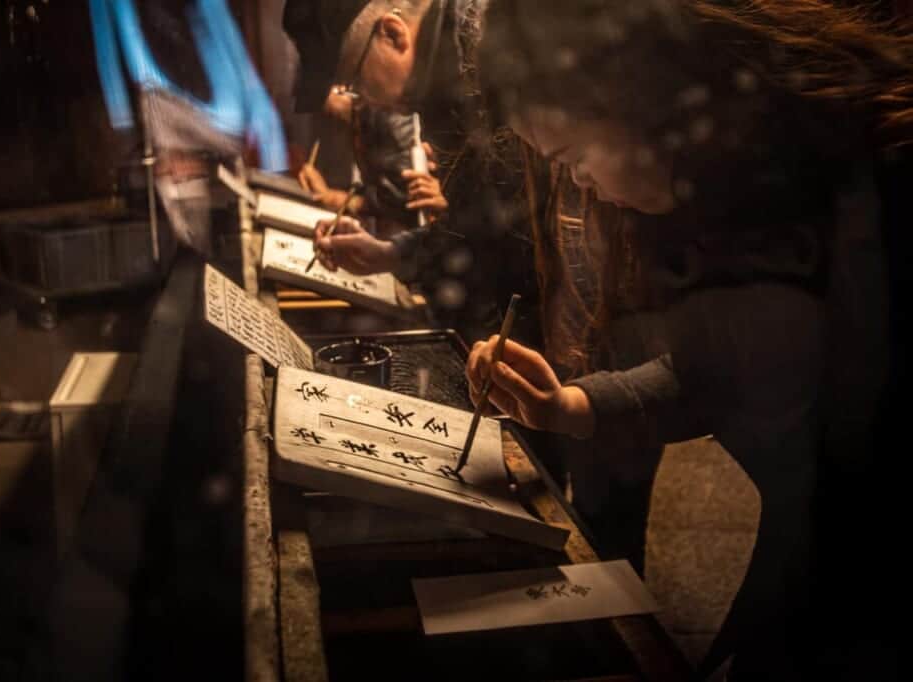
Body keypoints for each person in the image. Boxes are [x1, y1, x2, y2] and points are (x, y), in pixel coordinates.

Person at [470, 1, 908, 679]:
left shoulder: (871, 183)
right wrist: (576, 408)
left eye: (575, 156)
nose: (580, 184)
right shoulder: (718, 196)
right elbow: (746, 366)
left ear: (637, 91)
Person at [283, 0, 544, 345]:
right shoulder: (439, 87)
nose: (365, 102)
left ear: (392, 34)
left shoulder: (482, 51)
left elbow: (511, 229)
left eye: (355, 83)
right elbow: (468, 226)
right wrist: (388, 254)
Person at [296, 84, 448, 234]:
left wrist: (334, 198)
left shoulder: (389, 118)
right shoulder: (363, 125)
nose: (333, 93)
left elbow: (400, 200)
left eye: (340, 89)